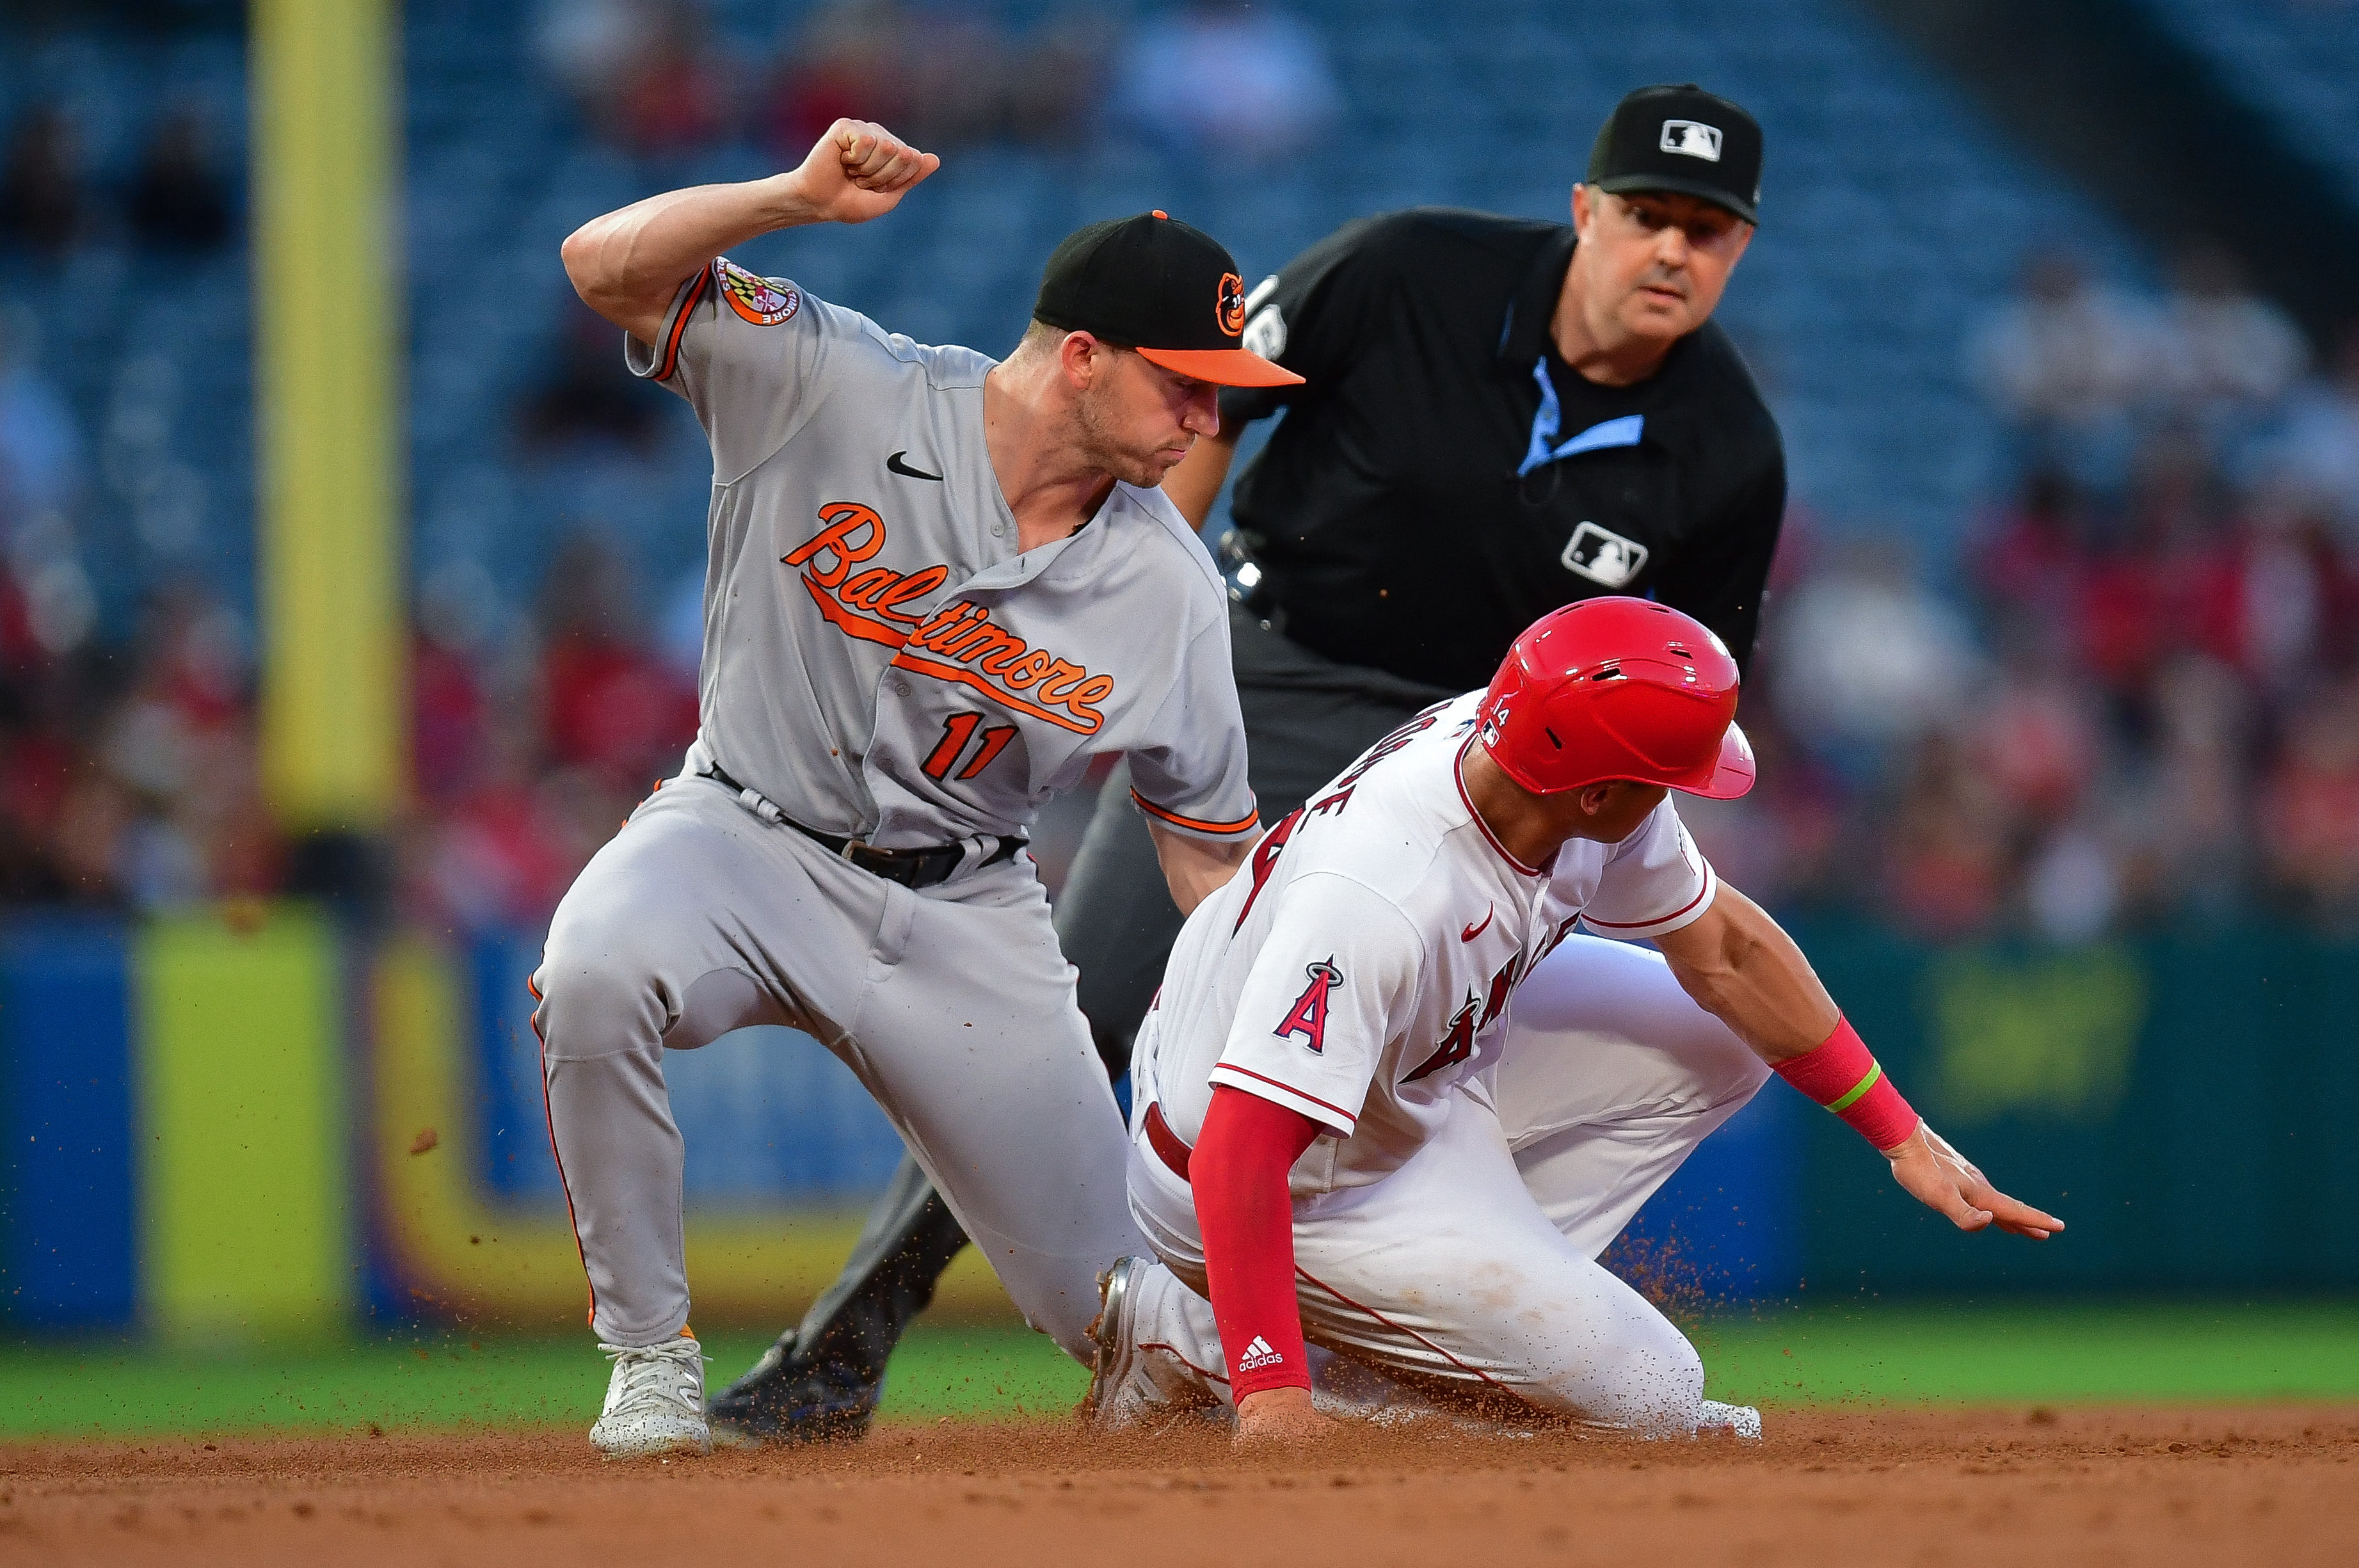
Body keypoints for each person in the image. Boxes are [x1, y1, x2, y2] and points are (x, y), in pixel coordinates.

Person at [712, 81, 1793, 1444]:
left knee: (1447, 1051)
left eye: (1709, 230)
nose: (1672, 251)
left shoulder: (1726, 446)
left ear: (1739, 249)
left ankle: (1378, 1347)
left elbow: (1692, 682)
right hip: (1263, 680)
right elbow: (1200, 407)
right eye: (1647, 215)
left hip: (1485, 770)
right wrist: (1130, 620)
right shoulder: (1406, 271)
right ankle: (836, 1354)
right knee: (1079, 1014)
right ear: (1584, 210)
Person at [545, 118, 1300, 1457]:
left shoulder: (1166, 587)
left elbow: (1204, 855)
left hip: (965, 917)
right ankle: (649, 1360)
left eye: (1219, 389)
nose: (1207, 416)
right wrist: (785, 196)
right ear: (1081, 357)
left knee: (1135, 1335)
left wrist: (1300, 1014)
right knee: (597, 971)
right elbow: (599, 266)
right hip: (741, 837)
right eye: (1185, 382)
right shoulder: (836, 383)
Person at [1088, 598, 2063, 1441]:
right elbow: (1241, 1152)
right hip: (1274, 1168)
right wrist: (1269, 1399)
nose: (1681, 793)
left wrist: (1902, 1135)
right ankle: (1193, 1340)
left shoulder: (1534, 757)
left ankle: (1474, 1343)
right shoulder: (1387, 888)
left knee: (1717, 1038)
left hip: (1403, 1068)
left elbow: (1724, 953)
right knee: (1653, 1395)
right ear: (1595, 787)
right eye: (1667, 776)